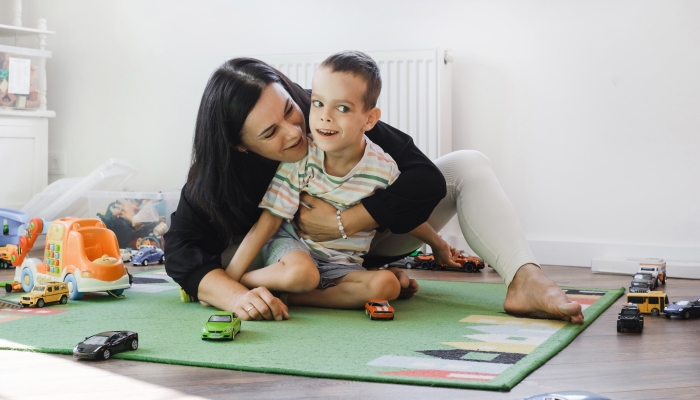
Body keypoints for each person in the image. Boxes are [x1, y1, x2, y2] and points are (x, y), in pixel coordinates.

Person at [164, 55, 584, 324]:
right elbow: (181, 252)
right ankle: (298, 285)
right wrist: (234, 295)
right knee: (223, 264)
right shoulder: (215, 175)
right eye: (271, 132)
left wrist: (346, 221)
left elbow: (425, 180)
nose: (296, 133)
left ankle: (525, 279)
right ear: (239, 144)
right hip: (278, 254)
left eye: (292, 110)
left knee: (467, 164)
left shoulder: (325, 113)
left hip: (359, 245)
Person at [226, 51, 460, 310]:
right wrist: (229, 283)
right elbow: (268, 222)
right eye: (317, 103)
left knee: (387, 286)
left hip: (343, 264)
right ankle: (246, 282)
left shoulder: (383, 168)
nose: (325, 116)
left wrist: (438, 245)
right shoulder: (303, 158)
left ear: (369, 119)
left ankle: (297, 297)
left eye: (342, 108)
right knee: (303, 274)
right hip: (295, 250)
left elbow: (405, 216)